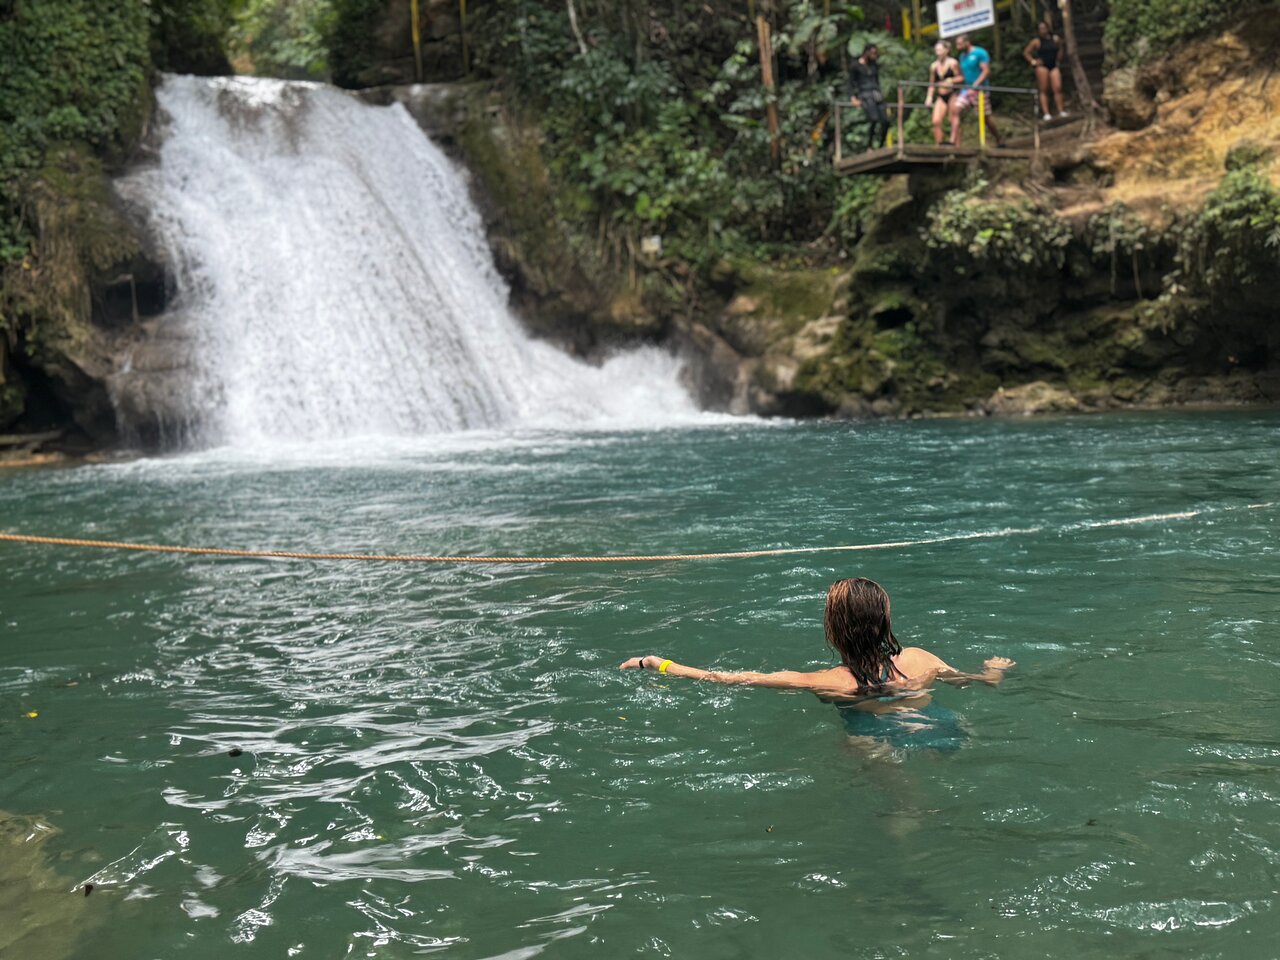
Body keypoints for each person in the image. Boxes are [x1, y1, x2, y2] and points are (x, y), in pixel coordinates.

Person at [620, 577, 1014, 703]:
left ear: (835, 630)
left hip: (879, 742)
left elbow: (730, 678)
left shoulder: (828, 681)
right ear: (884, 622)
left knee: (861, 753)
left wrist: (660, 664)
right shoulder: (919, 659)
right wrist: (992, 670)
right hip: (940, 729)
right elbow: (972, 681)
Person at [950, 34, 1001, 147]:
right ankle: (952, 141)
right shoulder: (962, 56)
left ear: (967, 42)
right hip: (967, 90)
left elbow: (986, 71)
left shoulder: (980, 53)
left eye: (959, 44)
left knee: (985, 118)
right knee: (956, 110)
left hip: (980, 90)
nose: (957, 47)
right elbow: (963, 75)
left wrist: (975, 85)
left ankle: (998, 138)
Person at [846, 44, 889, 152]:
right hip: (865, 93)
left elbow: (877, 80)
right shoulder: (855, 66)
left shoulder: (874, 65)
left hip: (876, 93)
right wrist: (853, 98)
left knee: (886, 121)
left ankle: (881, 145)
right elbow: (851, 83)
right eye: (873, 53)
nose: (875, 55)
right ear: (866, 53)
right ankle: (869, 145)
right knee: (874, 118)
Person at [1024, 20, 1068, 121]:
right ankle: (1046, 113)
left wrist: (1059, 59)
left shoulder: (1055, 39)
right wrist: (1033, 62)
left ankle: (1061, 110)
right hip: (1042, 66)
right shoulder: (1036, 41)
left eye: (1044, 28)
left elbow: (1061, 48)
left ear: (1048, 28)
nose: (1043, 30)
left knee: (1057, 87)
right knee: (1044, 89)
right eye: (1041, 28)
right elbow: (1026, 52)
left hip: (1053, 64)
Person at [925, 40, 963, 147]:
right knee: (936, 121)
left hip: (952, 93)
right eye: (936, 50)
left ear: (946, 50)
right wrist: (929, 97)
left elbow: (961, 77)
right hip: (941, 95)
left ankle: (955, 143)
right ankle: (939, 144)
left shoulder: (953, 63)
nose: (938, 52)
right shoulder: (934, 66)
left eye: (940, 49)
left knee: (953, 119)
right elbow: (932, 83)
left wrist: (951, 80)